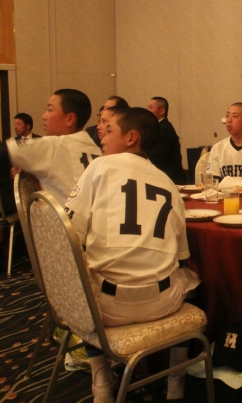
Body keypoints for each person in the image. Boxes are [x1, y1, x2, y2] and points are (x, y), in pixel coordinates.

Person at [65, 107, 200, 403]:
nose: (101, 136)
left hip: (105, 310)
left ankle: (101, 381)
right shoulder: (169, 183)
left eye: (109, 130)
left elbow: (68, 234)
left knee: (81, 279)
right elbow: (180, 254)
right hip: (162, 304)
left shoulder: (100, 167)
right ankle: (176, 381)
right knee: (191, 277)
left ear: (131, 138)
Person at [7, 88, 101, 206]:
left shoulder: (55, 144)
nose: (44, 116)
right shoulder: (94, 147)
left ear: (70, 119)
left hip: (64, 216)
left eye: (50, 110)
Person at [147, 96, 186, 185]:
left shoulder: (165, 129)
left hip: (171, 180)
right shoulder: (157, 127)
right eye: (147, 107)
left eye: (151, 107)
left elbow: (157, 156)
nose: (147, 110)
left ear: (162, 111)